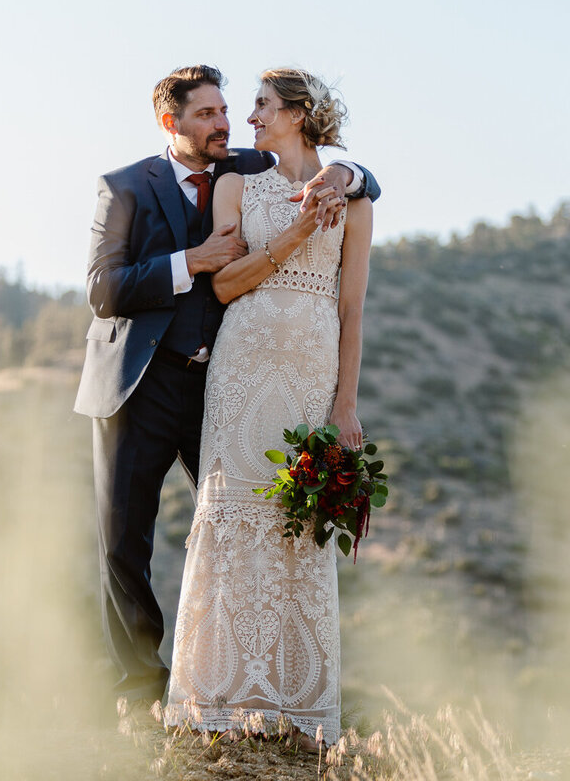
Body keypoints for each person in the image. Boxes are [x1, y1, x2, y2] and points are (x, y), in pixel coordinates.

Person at [73, 65, 380, 705]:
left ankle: (256, 682)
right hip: (139, 385)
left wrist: (348, 176)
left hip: (217, 380)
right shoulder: (125, 186)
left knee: (256, 519)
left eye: (226, 110)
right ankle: (140, 693)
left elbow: (354, 175)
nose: (225, 124)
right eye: (207, 114)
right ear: (171, 122)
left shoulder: (242, 165)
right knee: (125, 539)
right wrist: (190, 262)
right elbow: (104, 291)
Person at [163, 68, 373, 749]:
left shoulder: (354, 195)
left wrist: (345, 403)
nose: (249, 118)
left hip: (312, 369)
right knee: (230, 517)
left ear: (298, 113)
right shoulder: (237, 185)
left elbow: (352, 307)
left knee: (297, 521)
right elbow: (223, 285)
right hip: (243, 363)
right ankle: (216, 702)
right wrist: (292, 235)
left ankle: (294, 709)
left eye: (261, 106)